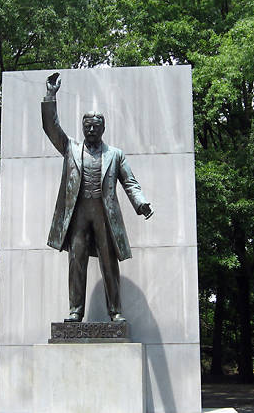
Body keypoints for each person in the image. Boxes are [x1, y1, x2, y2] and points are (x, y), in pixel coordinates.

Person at [41, 72, 153, 323]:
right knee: (76, 260)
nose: (91, 129)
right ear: (83, 128)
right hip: (78, 212)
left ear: (103, 128)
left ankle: (115, 311)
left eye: (95, 126)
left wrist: (141, 202)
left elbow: (130, 182)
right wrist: (50, 95)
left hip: (104, 213)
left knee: (109, 262)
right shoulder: (70, 147)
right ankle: (75, 311)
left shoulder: (115, 154)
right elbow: (51, 128)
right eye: (87, 126)